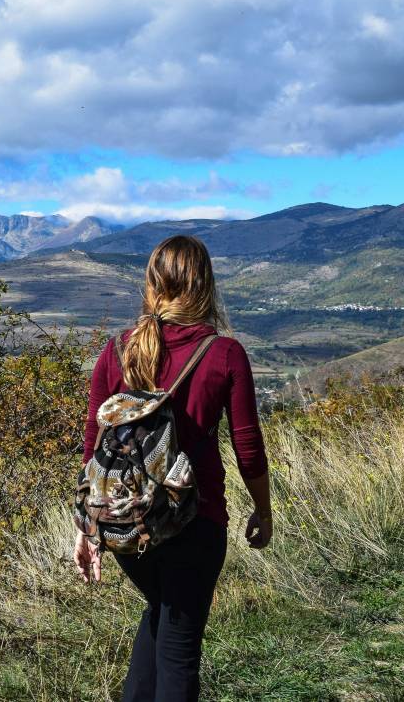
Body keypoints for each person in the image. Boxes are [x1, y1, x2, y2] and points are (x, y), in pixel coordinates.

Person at [74, 234, 272, 702]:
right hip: (194, 522)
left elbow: (94, 441)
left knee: (161, 619)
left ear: (151, 283)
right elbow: (248, 447)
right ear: (205, 284)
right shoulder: (223, 353)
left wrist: (86, 526)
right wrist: (263, 512)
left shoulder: (118, 349)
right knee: (179, 654)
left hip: (126, 524)